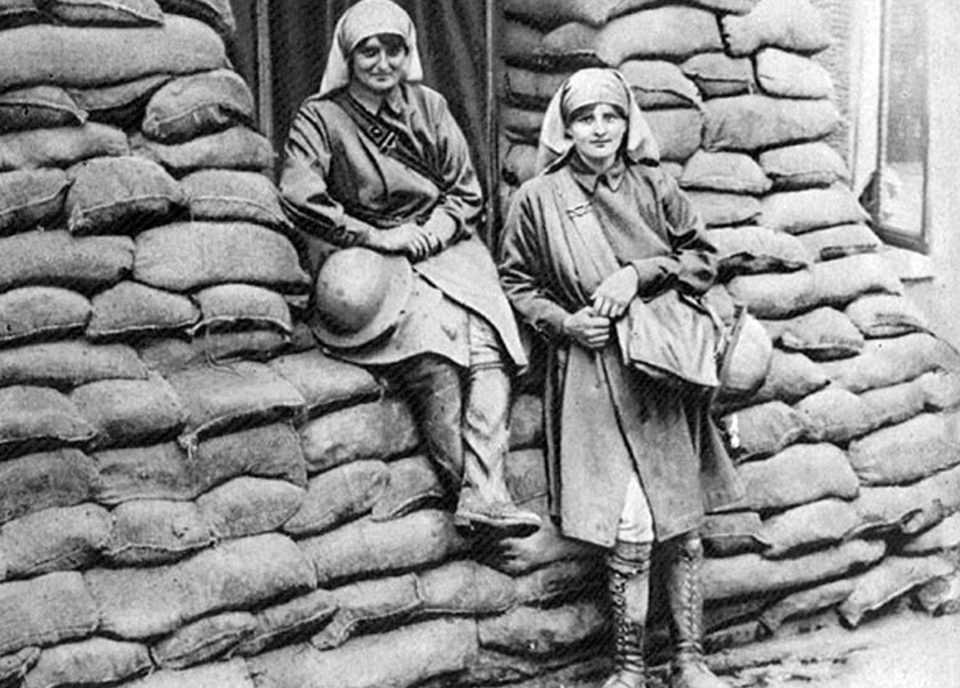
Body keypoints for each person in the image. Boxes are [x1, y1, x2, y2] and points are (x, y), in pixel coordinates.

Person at [498, 68, 744, 688]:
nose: (599, 129)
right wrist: (565, 325)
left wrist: (639, 275)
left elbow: (704, 258)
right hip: (591, 370)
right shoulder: (538, 199)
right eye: (586, 119)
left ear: (627, 121)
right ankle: (629, 669)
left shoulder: (655, 185)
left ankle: (690, 661)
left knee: (679, 517)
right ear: (567, 128)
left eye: (610, 116)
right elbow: (515, 284)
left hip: (660, 366)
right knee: (628, 523)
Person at [278, 0, 540, 537]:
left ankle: (486, 494)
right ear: (349, 58)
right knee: (435, 360)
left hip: (441, 244)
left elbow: (464, 191)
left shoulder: (430, 107)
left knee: (490, 347)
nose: (381, 62)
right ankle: (472, 492)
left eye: (393, 49)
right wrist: (375, 236)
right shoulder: (321, 118)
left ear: (408, 53)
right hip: (370, 253)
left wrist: (434, 232)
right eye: (368, 51)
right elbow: (300, 195)